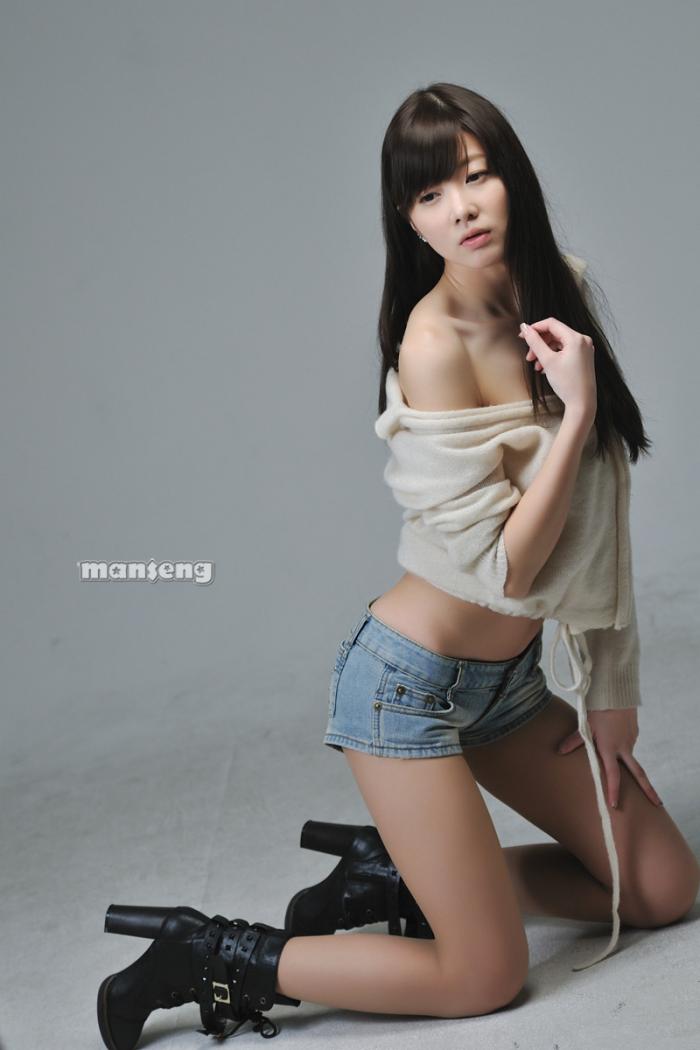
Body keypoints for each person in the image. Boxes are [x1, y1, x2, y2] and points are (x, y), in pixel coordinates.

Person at [96, 82, 700, 1048]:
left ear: (513, 178)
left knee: (665, 887)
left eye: (477, 176)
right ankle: (210, 953)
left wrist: (612, 691)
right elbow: (506, 572)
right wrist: (577, 409)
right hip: (405, 691)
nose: (460, 208)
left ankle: (392, 878)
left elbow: (603, 519)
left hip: (510, 688)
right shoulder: (432, 345)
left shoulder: (554, 291)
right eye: (429, 194)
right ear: (407, 218)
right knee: (485, 976)